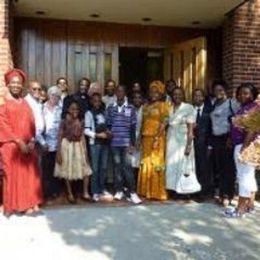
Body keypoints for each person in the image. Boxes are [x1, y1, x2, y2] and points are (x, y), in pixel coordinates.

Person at [0, 69, 42, 215]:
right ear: (8, 84)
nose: (16, 85)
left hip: (27, 144)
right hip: (11, 145)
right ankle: (15, 205)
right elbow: (3, 125)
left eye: (19, 83)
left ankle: (31, 202)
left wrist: (31, 140)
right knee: (13, 176)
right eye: (13, 83)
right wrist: (19, 141)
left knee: (29, 173)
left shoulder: (24, 102)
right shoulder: (4, 103)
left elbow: (31, 122)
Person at [225, 83, 258, 218]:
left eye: (246, 93)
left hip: (246, 146)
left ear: (252, 94)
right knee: (248, 176)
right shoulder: (244, 108)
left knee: (243, 177)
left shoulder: (254, 109)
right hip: (241, 144)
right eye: (240, 93)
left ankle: (240, 210)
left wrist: (244, 148)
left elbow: (252, 130)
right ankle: (249, 205)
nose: (242, 96)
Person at [106, 85, 142, 204]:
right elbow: (108, 125)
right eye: (118, 91)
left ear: (125, 93)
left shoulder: (130, 108)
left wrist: (132, 143)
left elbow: (132, 127)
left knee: (127, 168)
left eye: (122, 91)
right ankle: (119, 190)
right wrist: (108, 132)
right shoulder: (111, 108)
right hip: (114, 143)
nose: (120, 93)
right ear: (116, 93)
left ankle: (132, 193)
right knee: (117, 167)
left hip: (127, 143)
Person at [54, 101, 92, 203]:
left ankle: (85, 193)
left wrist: (85, 151)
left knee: (86, 170)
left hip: (78, 146)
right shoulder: (64, 121)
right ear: (68, 110)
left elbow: (83, 136)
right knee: (68, 170)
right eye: (72, 109)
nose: (75, 111)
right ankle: (70, 193)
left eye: (77, 109)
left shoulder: (81, 121)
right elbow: (60, 136)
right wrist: (58, 152)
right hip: (67, 146)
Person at [137, 81, 169, 200]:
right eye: (151, 92)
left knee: (156, 163)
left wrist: (156, 138)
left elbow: (164, 123)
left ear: (160, 93)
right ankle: (145, 191)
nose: (153, 94)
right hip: (146, 138)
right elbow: (143, 123)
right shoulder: (145, 106)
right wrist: (139, 138)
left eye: (156, 92)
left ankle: (157, 192)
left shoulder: (164, 105)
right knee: (146, 162)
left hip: (157, 138)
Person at [166, 87, 200, 195]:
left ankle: (185, 191)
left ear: (183, 95)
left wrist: (189, 145)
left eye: (180, 94)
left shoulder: (188, 107)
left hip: (183, 140)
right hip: (171, 140)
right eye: (175, 94)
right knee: (171, 164)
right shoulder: (169, 108)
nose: (177, 96)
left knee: (184, 165)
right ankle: (173, 189)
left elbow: (191, 128)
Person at [210, 80, 239, 206]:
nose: (218, 92)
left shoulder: (232, 103)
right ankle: (221, 194)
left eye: (221, 90)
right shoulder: (213, 103)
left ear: (226, 91)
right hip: (216, 139)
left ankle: (228, 195)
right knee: (220, 168)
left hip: (227, 139)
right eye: (216, 90)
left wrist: (231, 138)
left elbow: (238, 121)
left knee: (229, 168)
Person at [85, 93, 113, 202]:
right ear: (91, 101)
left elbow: (106, 126)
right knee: (95, 168)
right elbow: (86, 130)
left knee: (104, 168)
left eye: (98, 100)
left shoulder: (104, 112)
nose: (97, 102)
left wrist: (108, 132)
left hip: (105, 144)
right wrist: (97, 135)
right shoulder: (89, 113)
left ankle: (102, 188)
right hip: (95, 144)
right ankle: (95, 191)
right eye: (94, 100)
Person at [41, 86, 62, 203]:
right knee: (46, 170)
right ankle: (46, 192)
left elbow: (62, 127)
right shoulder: (42, 108)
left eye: (57, 96)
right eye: (53, 95)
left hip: (57, 143)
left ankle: (55, 191)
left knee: (56, 169)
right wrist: (43, 143)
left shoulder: (60, 109)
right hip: (45, 144)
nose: (55, 97)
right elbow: (38, 127)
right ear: (49, 95)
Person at [193, 89, 214, 199]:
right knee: (195, 168)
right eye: (195, 96)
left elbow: (211, 129)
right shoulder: (191, 110)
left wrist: (210, 146)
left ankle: (204, 192)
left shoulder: (209, 111)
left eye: (199, 95)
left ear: (203, 97)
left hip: (205, 144)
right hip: (192, 145)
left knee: (204, 168)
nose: (197, 98)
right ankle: (195, 191)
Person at [24, 81, 47, 152]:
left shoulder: (37, 102)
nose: (37, 91)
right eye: (34, 89)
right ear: (28, 90)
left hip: (37, 140)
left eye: (39, 89)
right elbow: (30, 126)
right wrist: (42, 142)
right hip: (30, 142)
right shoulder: (26, 103)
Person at [130, 91, 144, 183]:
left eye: (139, 97)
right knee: (131, 163)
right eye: (135, 97)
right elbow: (127, 124)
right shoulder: (128, 109)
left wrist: (139, 139)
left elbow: (145, 125)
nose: (137, 99)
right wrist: (130, 141)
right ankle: (131, 185)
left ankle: (139, 185)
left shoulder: (145, 109)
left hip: (142, 138)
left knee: (140, 163)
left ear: (142, 99)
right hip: (130, 137)